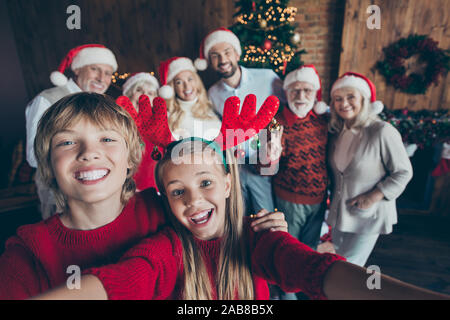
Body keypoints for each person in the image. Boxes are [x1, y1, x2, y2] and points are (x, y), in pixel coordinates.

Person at [33, 137, 448, 300]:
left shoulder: (260, 238)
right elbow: (119, 282)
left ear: (230, 184)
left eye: (206, 183)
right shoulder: (167, 249)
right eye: (178, 192)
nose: (194, 201)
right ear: (165, 199)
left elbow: (316, 270)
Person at [0, 92, 165, 299]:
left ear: (130, 158)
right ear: (49, 164)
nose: (89, 152)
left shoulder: (165, 214)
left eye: (106, 138)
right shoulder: (27, 252)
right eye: (67, 142)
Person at [195, 27, 286, 214]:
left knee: (265, 212)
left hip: (261, 162)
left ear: (237, 54)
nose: (223, 60)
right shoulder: (213, 93)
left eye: (227, 52)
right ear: (210, 61)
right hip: (233, 164)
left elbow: (288, 107)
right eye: (215, 55)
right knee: (238, 215)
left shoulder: (267, 78)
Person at [327, 72, 413, 267]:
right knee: (341, 262)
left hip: (369, 214)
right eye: (338, 99)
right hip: (342, 214)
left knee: (349, 267)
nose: (344, 103)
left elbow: (404, 171)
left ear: (364, 100)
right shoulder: (337, 132)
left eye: (351, 97)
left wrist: (374, 196)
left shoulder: (381, 131)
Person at [25, 44, 118, 219]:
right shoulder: (47, 100)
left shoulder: (103, 104)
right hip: (61, 199)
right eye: (94, 69)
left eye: (107, 73)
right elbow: (33, 154)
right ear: (77, 69)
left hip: (100, 196)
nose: (101, 78)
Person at [263, 65, 330, 300]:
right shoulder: (275, 122)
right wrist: (270, 153)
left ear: (316, 94)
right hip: (289, 200)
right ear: (287, 93)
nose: (301, 97)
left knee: (310, 251)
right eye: (295, 90)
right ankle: (285, 296)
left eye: (307, 91)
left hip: (319, 200)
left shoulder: (323, 120)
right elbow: (264, 168)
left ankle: (303, 293)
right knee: (288, 253)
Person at [158, 57, 221, 141]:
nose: (187, 86)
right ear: (173, 88)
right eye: (179, 82)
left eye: (190, 79)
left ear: (196, 81)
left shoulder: (210, 107)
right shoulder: (169, 116)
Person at [122, 72, 160, 191]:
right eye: (139, 90)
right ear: (129, 94)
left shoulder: (160, 125)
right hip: (126, 191)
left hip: (156, 192)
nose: (145, 96)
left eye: (150, 93)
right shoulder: (118, 123)